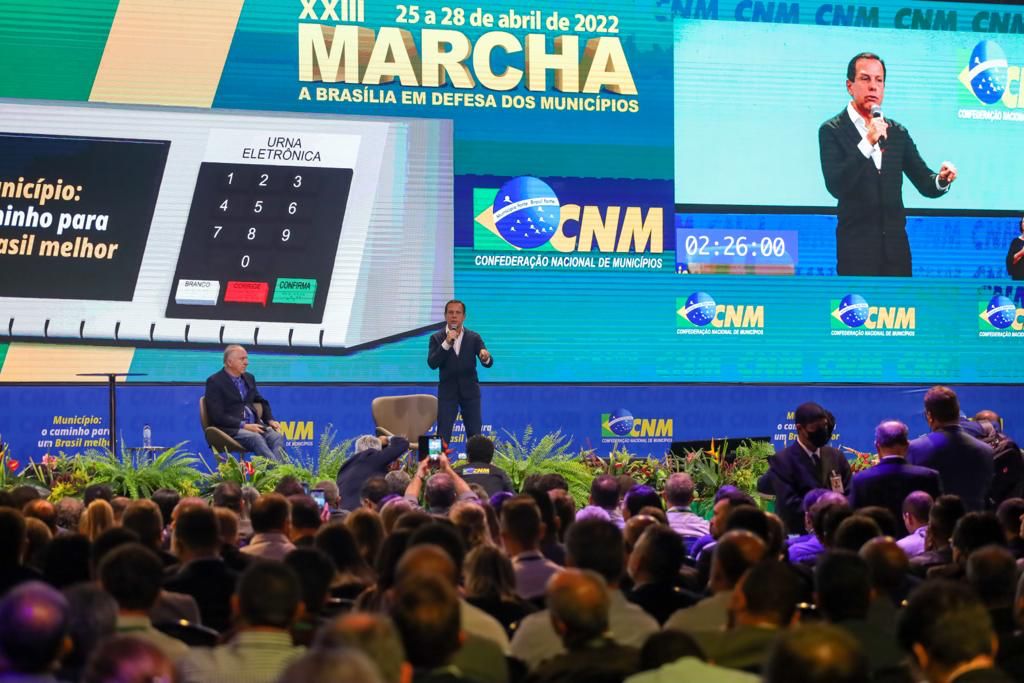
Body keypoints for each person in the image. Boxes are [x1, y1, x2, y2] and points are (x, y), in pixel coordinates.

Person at [819, 52, 957, 276]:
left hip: (896, 255)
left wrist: (941, 180)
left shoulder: (897, 132)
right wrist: (868, 142)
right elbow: (836, 185)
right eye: (865, 79)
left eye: (879, 80)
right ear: (849, 86)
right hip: (856, 253)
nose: (873, 86)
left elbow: (924, 181)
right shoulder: (832, 130)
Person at [767, 402, 850, 534]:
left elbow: (849, 492)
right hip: (800, 533)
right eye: (815, 427)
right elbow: (789, 504)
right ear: (800, 428)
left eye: (824, 425)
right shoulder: (782, 461)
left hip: (836, 533)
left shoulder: (836, 456)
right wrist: (824, 514)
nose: (822, 431)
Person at [907, 386, 993, 511]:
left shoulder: (915, 449)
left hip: (933, 521)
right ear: (958, 413)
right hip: (973, 521)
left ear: (929, 416)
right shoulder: (986, 451)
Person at [849, 420, 942, 535]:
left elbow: (854, 524)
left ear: (877, 446)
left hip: (876, 544)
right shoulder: (929, 477)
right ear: (907, 445)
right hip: (919, 545)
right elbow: (938, 519)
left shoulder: (860, 480)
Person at [204, 344, 286, 461]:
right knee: (256, 438)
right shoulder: (215, 382)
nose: (246, 362)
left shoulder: (249, 378)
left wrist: (270, 419)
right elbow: (217, 416)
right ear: (229, 362)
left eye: (246, 358)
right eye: (242, 359)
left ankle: (277, 471)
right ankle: (277, 471)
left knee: (277, 437)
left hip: (255, 425)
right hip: (230, 429)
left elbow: (261, 401)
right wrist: (244, 426)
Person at [427, 299, 493, 444]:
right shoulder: (436, 338)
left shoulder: (474, 337)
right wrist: (446, 343)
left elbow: (489, 362)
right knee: (442, 433)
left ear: (464, 316)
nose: (454, 316)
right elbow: (432, 363)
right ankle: (435, 459)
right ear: (445, 315)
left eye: (458, 313)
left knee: (475, 436)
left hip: (470, 393)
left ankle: (476, 459)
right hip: (447, 393)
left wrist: (485, 357)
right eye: (451, 312)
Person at [335, 434, 410, 512]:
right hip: (362, 514)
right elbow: (402, 443)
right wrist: (386, 438)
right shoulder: (374, 457)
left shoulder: (345, 466)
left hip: (342, 513)